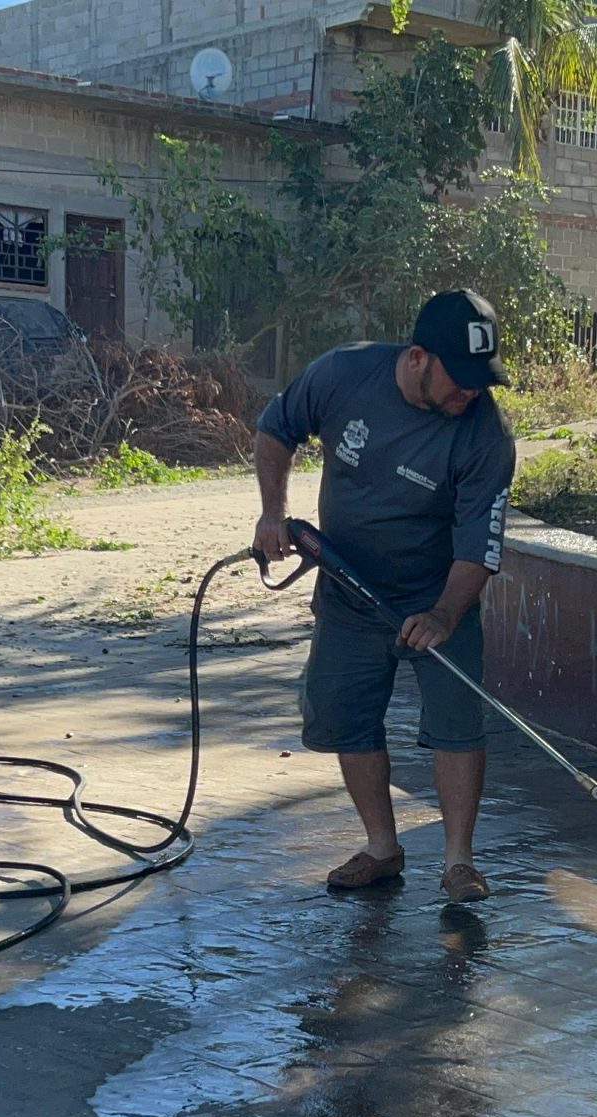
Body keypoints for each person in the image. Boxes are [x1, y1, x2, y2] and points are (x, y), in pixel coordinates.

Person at [253, 291, 516, 904]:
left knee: (456, 724)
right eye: (462, 379)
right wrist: (274, 513)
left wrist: (445, 613)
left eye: (484, 379)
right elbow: (276, 430)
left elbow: (479, 546)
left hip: (438, 594)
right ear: (418, 357)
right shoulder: (343, 373)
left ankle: (457, 862)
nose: (472, 393)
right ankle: (381, 847)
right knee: (347, 717)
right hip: (347, 589)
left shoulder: (486, 437)